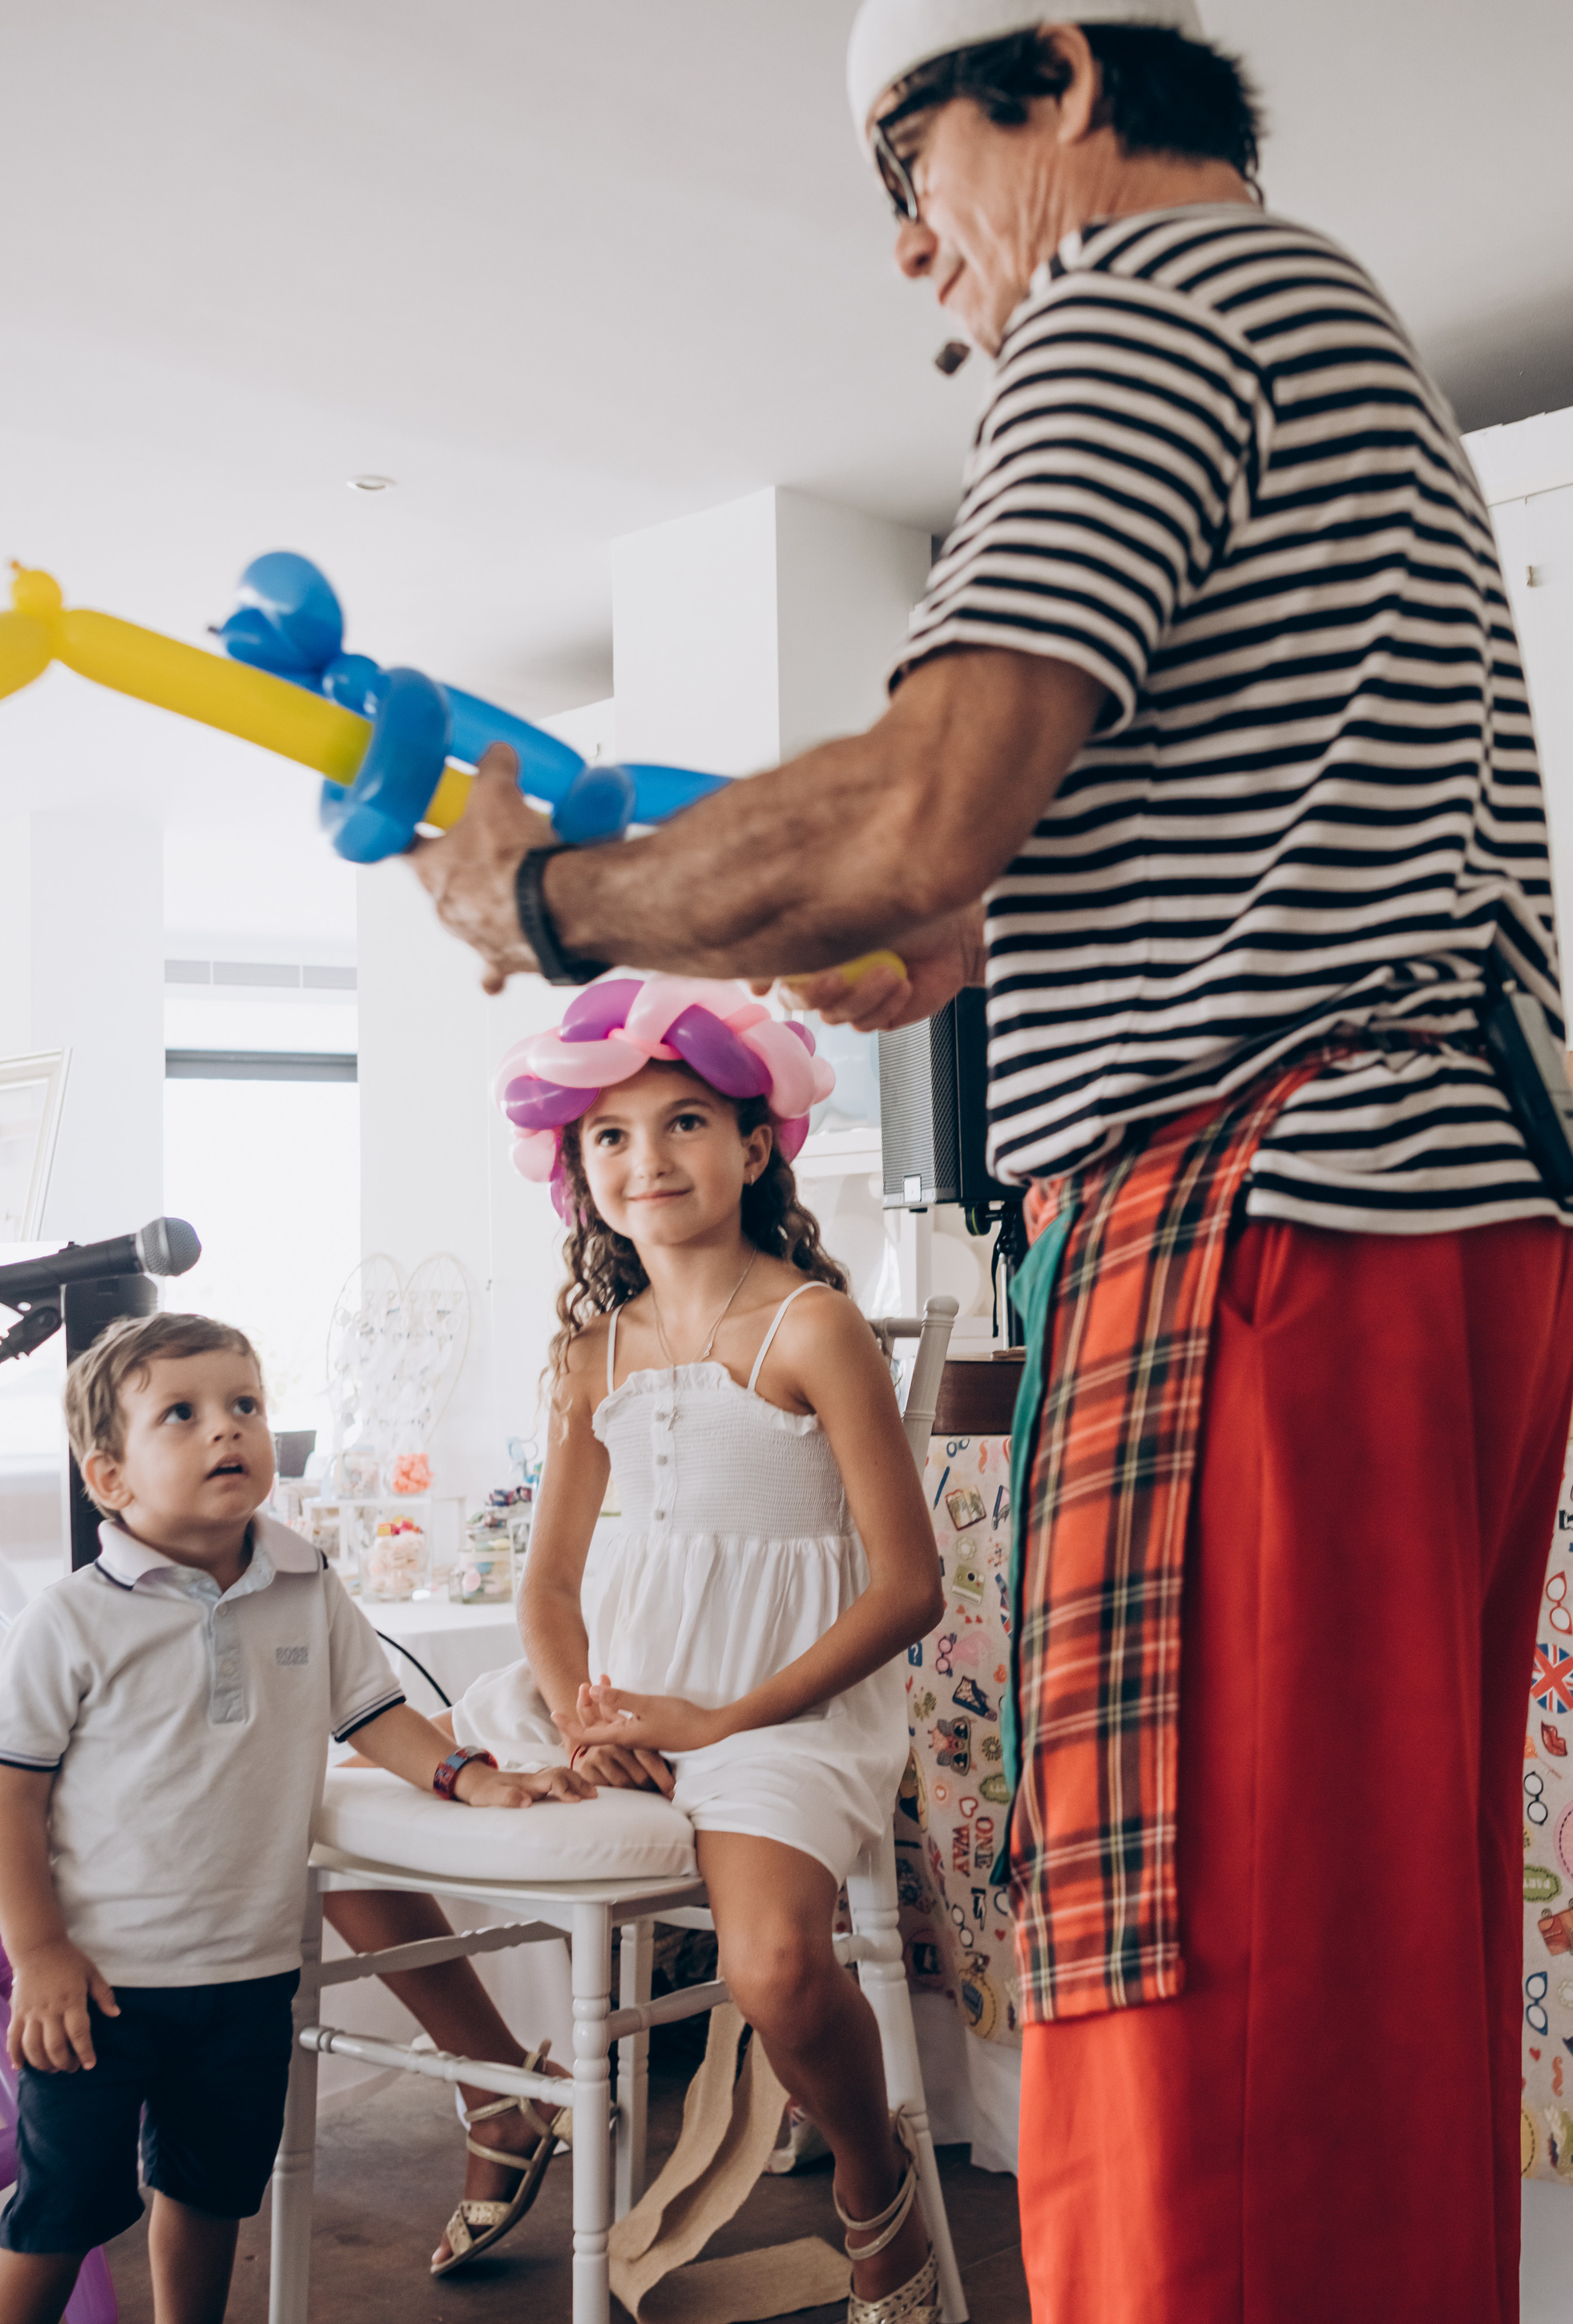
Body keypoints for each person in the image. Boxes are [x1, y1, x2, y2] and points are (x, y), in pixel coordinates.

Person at [408, 7, 1573, 2321]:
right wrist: (943, 919)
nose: (922, 255)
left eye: (910, 170)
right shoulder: (1320, 326)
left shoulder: (1139, 304)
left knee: (1201, 1960)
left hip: (1267, 1218)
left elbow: (931, 787)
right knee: (1359, 1953)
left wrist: (553, 902)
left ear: (1053, 77)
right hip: (1425, 1207)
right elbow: (997, 837)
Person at [435, 978, 945, 2318]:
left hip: (779, 1711)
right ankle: (499, 2092)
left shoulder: (812, 1326)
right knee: (339, 1804)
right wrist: (584, 1710)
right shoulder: (585, 1357)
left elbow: (908, 1588)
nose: (644, 1159)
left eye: (683, 1123)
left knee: (775, 1962)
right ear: (576, 1169)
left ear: (755, 1145)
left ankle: (868, 2177)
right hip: (618, 1697)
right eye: (609, 1136)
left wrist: (720, 1724)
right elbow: (547, 1585)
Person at [0, 1312, 591, 2324]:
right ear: (110, 1477)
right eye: (183, 1414)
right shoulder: (69, 1620)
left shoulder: (307, 1583)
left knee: (210, 2192)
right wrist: (37, 1953)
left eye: (245, 1406)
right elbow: (10, 1799)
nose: (228, 1430)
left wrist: (467, 1776)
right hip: (99, 1983)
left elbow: (376, 1716)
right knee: (61, 2210)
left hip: (248, 1975)